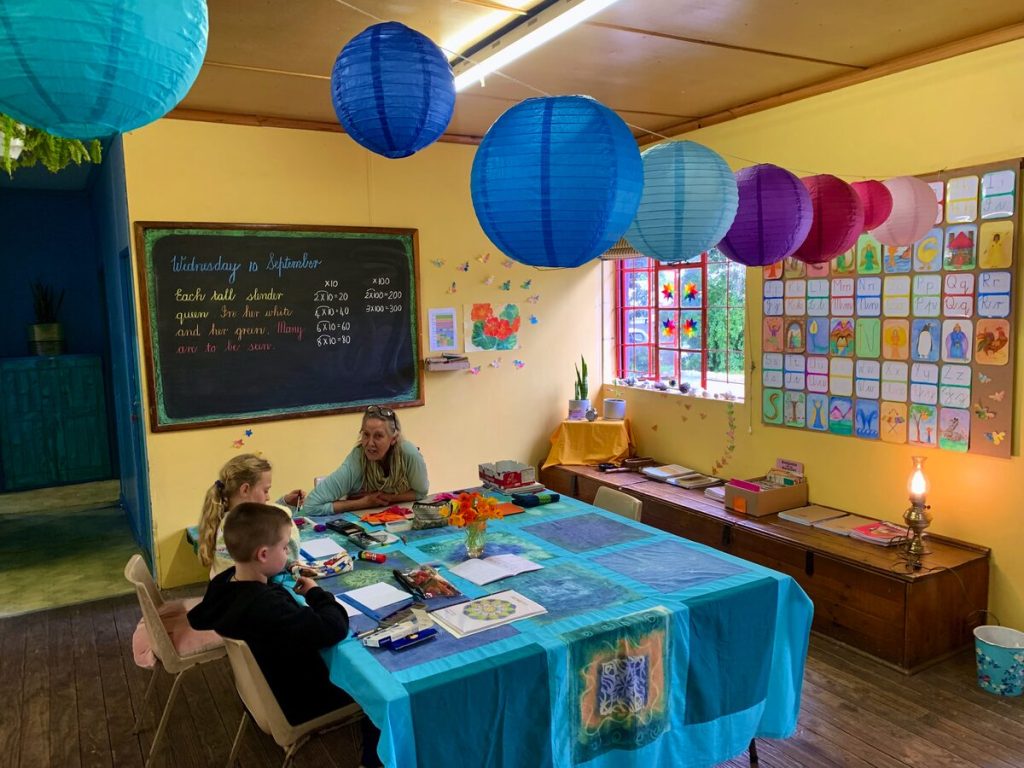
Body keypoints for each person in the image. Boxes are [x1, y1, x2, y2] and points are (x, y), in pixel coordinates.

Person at [187, 503, 382, 767]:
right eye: (283, 548)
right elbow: (334, 627)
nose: (288, 553)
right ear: (264, 554)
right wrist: (317, 594)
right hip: (296, 699)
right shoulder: (268, 608)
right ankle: (374, 761)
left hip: (261, 689)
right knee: (378, 688)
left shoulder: (223, 584)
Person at [303, 405, 428, 516]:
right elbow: (311, 506)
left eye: (378, 436)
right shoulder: (358, 458)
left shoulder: (408, 454)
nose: (369, 443)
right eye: (366, 435)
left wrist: (387, 497)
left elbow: (421, 492)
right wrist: (364, 503)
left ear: (393, 439)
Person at [197, 453, 305, 577]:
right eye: (266, 491)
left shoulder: (235, 518)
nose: (268, 497)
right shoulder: (237, 529)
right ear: (245, 490)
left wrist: (284, 502)